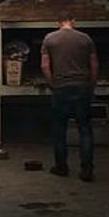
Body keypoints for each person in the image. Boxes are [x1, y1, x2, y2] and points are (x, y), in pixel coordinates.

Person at [41, 11, 98, 181]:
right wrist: (91, 86)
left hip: (61, 88)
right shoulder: (86, 39)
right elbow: (94, 65)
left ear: (58, 22)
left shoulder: (49, 39)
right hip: (82, 87)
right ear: (74, 21)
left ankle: (61, 167)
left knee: (59, 130)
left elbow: (45, 66)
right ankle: (87, 170)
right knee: (85, 129)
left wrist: (52, 84)